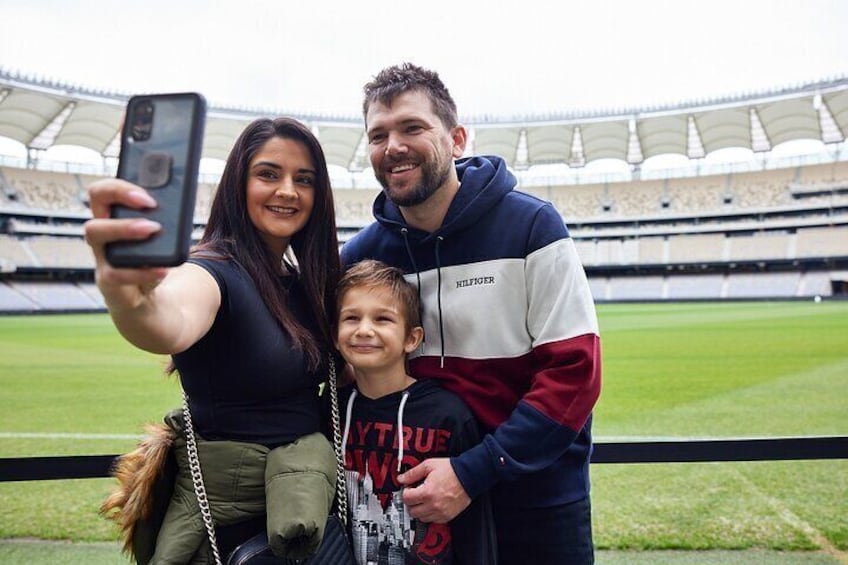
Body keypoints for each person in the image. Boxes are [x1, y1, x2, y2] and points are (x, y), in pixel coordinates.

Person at [340, 63, 602, 565]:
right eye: (378, 135)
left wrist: (473, 471)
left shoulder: (532, 227)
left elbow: (575, 375)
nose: (393, 145)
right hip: (415, 506)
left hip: (535, 500)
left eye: (412, 128)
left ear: (457, 138)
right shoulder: (363, 257)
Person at [88, 117, 342, 564]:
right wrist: (127, 296)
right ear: (236, 184)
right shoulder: (213, 270)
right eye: (268, 174)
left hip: (306, 514)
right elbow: (168, 320)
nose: (288, 190)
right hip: (233, 532)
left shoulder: (302, 281)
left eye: (304, 180)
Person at [334, 259, 497, 564]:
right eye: (352, 318)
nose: (364, 330)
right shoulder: (330, 411)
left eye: (382, 319)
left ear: (412, 338)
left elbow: (474, 525)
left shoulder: (448, 415)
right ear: (335, 335)